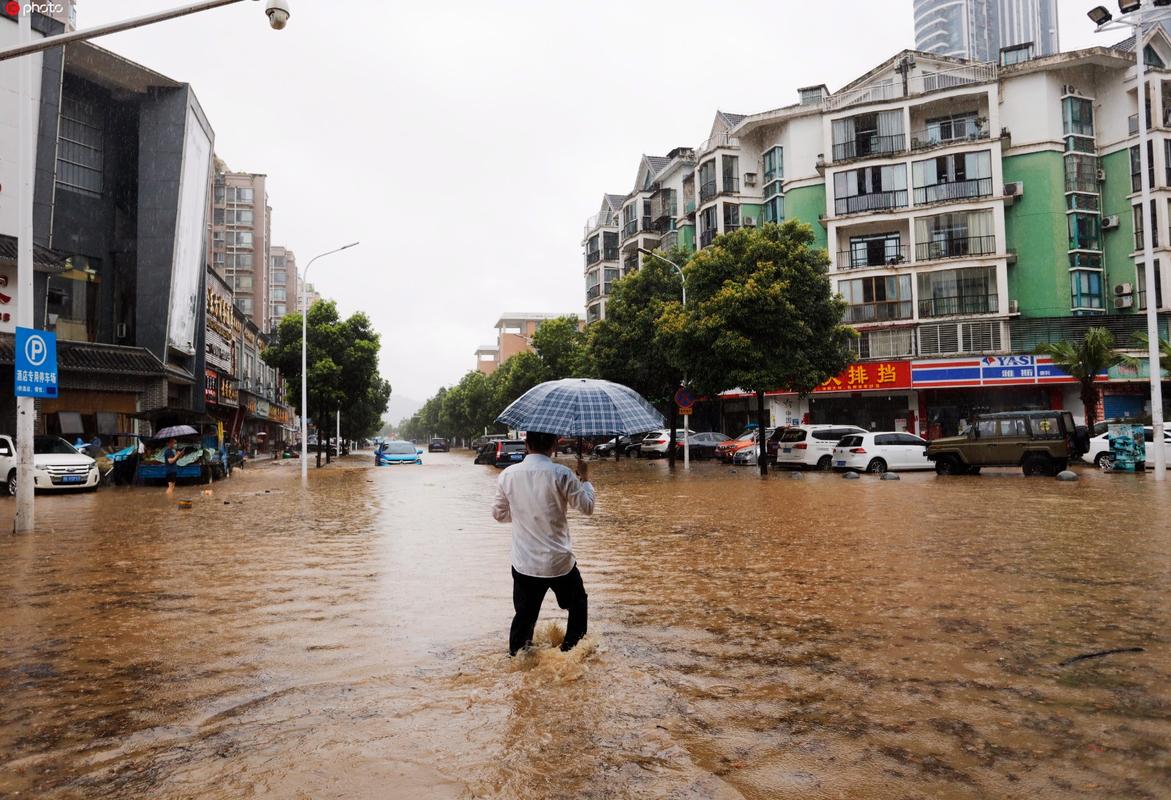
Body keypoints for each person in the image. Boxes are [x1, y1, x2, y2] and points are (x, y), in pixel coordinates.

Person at [492, 430, 595, 656]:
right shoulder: (563, 474)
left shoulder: (507, 475)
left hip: (525, 564)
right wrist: (585, 478)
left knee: (524, 616)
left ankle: (518, 657)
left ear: (526, 444)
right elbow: (587, 508)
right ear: (554, 445)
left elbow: (499, 515)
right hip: (559, 563)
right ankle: (572, 651)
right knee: (578, 605)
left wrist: (523, 515)